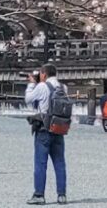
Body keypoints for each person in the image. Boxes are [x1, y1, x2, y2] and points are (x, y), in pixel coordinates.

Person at [25, 63, 68, 204]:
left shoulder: (42, 86)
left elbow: (28, 100)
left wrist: (32, 84)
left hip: (43, 129)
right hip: (59, 128)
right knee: (60, 163)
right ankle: (62, 195)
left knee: (40, 163)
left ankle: (39, 195)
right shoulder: (63, 88)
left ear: (43, 74)